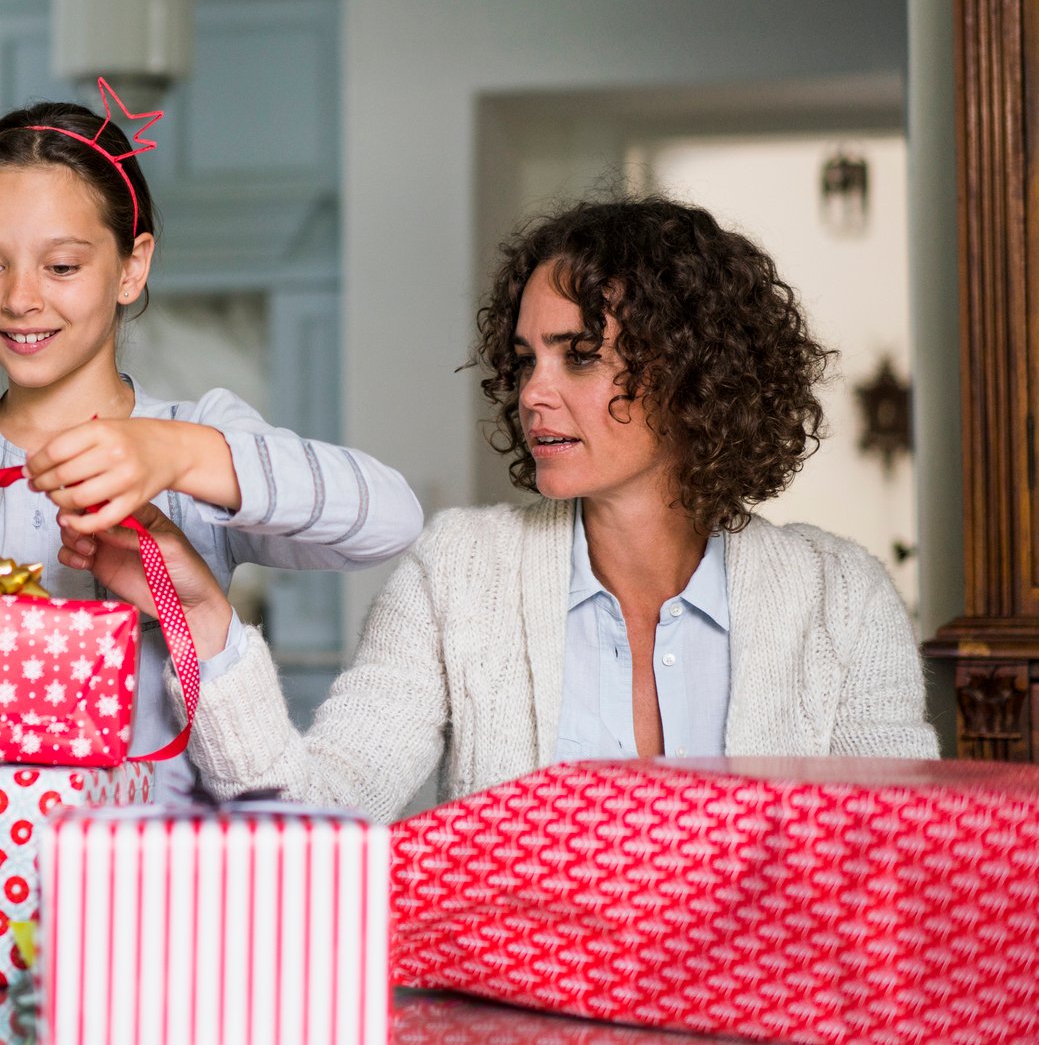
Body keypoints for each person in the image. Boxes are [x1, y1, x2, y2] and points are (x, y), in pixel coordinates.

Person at [67, 198, 938, 818]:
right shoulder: (460, 570)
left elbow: (899, 866)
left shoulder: (843, 599)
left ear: (693, 370)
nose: (533, 394)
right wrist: (203, 616)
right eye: (525, 360)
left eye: (579, 356)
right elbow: (317, 811)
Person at [0, 80, 421, 789]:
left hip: (141, 876)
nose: (19, 298)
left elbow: (391, 521)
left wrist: (173, 453)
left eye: (61, 266)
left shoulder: (195, 435)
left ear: (132, 266)